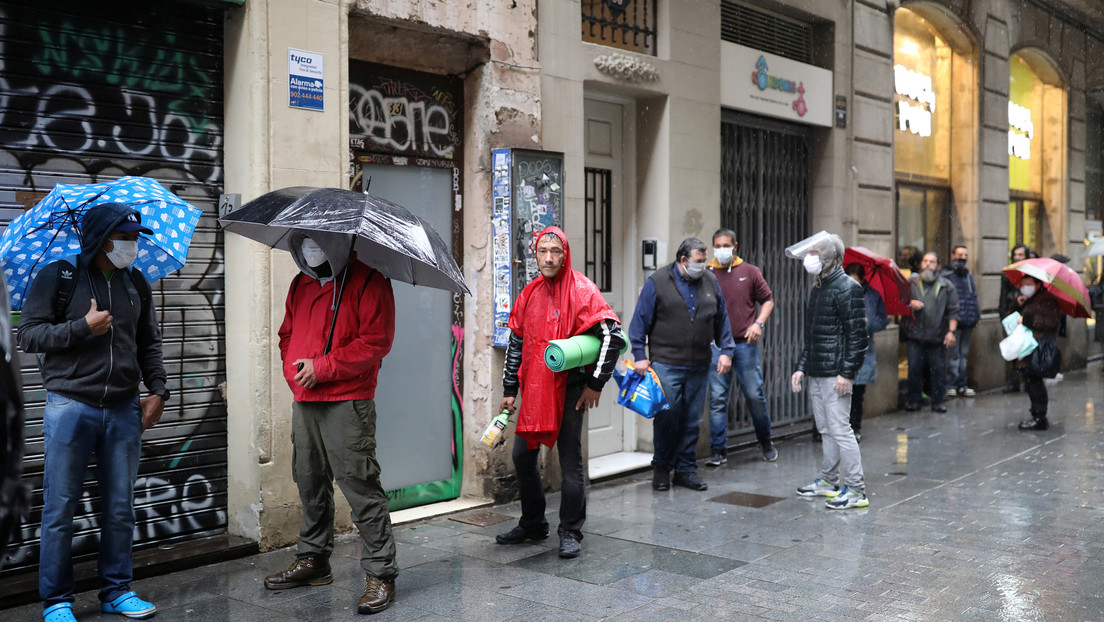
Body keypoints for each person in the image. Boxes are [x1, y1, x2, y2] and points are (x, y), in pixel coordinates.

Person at [18, 203, 169, 622]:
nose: (132, 245)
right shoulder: (59, 276)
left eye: (135, 238)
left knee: (120, 506)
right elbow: (28, 335)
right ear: (102, 239)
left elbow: (148, 342)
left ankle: (117, 591)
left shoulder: (136, 282)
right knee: (60, 508)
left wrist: (158, 390)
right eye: (125, 237)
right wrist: (82, 328)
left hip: (123, 408)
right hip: (70, 405)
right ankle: (57, 601)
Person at [265, 231, 399, 615]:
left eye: (318, 241)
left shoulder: (370, 281)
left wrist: (322, 368)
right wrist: (295, 374)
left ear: (339, 243)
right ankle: (314, 558)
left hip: (348, 400)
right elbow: (287, 335)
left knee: (359, 485)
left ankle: (381, 572)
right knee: (309, 481)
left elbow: (375, 342)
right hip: (305, 399)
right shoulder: (300, 283)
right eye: (304, 241)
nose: (310, 249)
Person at [496, 226, 624, 559]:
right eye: (543, 251)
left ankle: (570, 530)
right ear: (535, 255)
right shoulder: (529, 293)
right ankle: (533, 523)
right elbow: (516, 341)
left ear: (565, 254)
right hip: (535, 390)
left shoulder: (583, 290)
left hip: (571, 389)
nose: (549, 258)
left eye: (555, 251)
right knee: (523, 455)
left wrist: (595, 384)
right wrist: (510, 388)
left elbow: (612, 336)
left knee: (569, 461)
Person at [629, 238, 736, 492]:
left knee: (692, 419)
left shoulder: (710, 281)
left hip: (700, 363)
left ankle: (686, 470)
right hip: (666, 363)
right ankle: (662, 468)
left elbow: (721, 318)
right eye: (699, 261)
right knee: (667, 417)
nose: (703, 265)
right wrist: (639, 354)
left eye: (704, 261)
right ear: (683, 260)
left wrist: (727, 351)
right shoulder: (658, 282)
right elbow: (639, 321)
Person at [790, 233, 869, 509]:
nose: (809, 258)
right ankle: (828, 480)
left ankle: (856, 490)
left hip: (835, 374)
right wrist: (802, 367)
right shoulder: (819, 286)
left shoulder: (848, 287)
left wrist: (846, 373)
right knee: (826, 429)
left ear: (828, 257)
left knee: (841, 430)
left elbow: (857, 336)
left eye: (814, 253)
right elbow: (814, 335)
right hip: (817, 371)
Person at [704, 228, 777, 466]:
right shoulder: (706, 273)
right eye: (717, 246)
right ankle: (718, 450)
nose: (721, 250)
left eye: (726, 246)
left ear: (735, 247)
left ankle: (766, 441)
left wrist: (759, 323)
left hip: (745, 343)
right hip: (717, 346)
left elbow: (768, 300)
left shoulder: (750, 272)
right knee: (717, 398)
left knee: (754, 395)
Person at [903, 252, 959, 413]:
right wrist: (910, 304)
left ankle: (937, 401)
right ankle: (914, 400)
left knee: (937, 370)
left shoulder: (947, 286)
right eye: (925, 261)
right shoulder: (911, 283)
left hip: (937, 336)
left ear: (938, 265)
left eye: (932, 262)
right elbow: (899, 302)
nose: (928, 264)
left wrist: (951, 332)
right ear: (921, 264)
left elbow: (953, 311)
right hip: (915, 335)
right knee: (914, 369)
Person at [844, 263, 886, 442]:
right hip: (842, 350)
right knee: (840, 393)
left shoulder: (873, 296)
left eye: (855, 280)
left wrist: (868, 323)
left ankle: (855, 428)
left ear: (862, 280)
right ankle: (839, 428)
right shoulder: (839, 293)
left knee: (857, 393)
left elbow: (882, 322)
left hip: (863, 352)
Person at [1015, 275, 1061, 430]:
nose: (1024, 288)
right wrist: (1018, 304)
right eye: (1023, 284)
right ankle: (1037, 415)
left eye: (1028, 284)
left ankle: (1039, 417)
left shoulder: (1047, 299)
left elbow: (1049, 322)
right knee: (1031, 381)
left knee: (1035, 381)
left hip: (1039, 347)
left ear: (1037, 284)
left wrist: (1026, 320)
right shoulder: (1032, 299)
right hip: (1029, 346)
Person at [942, 246, 980, 397]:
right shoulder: (946, 275)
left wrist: (975, 315)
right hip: (954, 322)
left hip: (968, 321)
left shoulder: (968, 275)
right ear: (952, 255)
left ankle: (961, 384)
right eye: (960, 255)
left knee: (963, 355)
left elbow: (972, 296)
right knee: (953, 355)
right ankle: (951, 384)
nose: (963, 258)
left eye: (965, 255)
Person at [999, 244, 1030, 393]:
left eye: (1020, 255)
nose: (1017, 257)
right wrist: (1004, 316)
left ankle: (1028, 380)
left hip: (1027, 316)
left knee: (1027, 348)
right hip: (1012, 316)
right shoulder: (1007, 274)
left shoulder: (1031, 273)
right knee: (1012, 349)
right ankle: (1013, 382)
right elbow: (1003, 297)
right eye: (1015, 255)